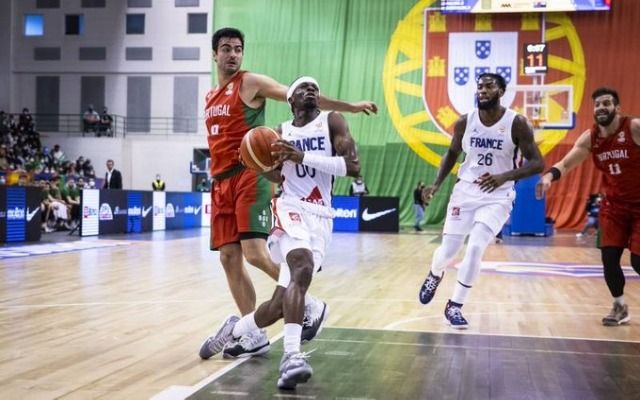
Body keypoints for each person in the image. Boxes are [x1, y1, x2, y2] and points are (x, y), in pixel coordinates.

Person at [202, 27, 377, 358]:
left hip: (249, 175)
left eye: (238, 49)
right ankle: (253, 334)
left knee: (255, 253)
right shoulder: (210, 96)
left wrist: (351, 107)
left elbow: (298, 94)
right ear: (215, 54)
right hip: (220, 180)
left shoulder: (250, 82)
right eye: (226, 48)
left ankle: (307, 303)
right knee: (228, 258)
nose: (233, 54)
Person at [417, 73, 544, 328]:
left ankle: (455, 304)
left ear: (501, 91)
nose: (483, 90)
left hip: (498, 195)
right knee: (448, 251)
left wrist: (503, 176)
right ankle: (435, 273)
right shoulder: (465, 122)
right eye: (480, 87)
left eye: (489, 86)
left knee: (475, 246)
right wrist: (437, 184)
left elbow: (537, 162)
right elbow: (452, 153)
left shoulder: (517, 123)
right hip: (465, 192)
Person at [536, 87, 640, 326]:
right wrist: (549, 177)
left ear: (617, 108)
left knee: (638, 262)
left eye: (607, 103)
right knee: (609, 258)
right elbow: (566, 163)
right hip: (614, 207)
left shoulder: (633, 127)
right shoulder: (590, 137)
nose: (601, 107)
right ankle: (619, 306)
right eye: (597, 104)